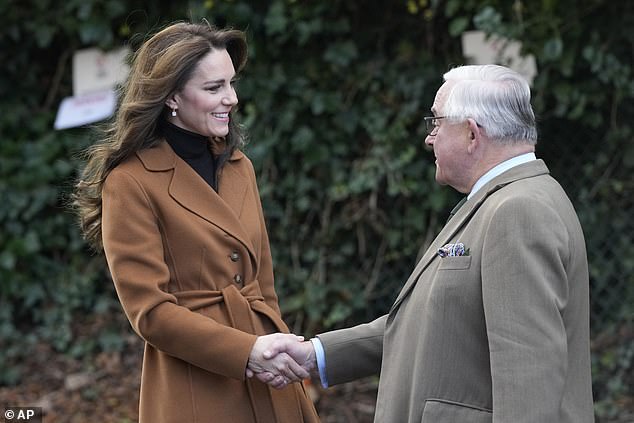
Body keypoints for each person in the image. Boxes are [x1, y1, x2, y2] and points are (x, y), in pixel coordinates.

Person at [252, 64, 595, 422]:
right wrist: (317, 354)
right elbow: (433, 322)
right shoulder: (503, 200)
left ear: (472, 135)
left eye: (436, 122)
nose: (429, 138)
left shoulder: (517, 210)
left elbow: (528, 379)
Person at [73, 22, 320, 423]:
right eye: (214, 88)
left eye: (232, 83)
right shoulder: (129, 182)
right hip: (196, 382)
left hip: (269, 368)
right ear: (170, 95)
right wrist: (245, 353)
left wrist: (275, 350)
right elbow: (150, 312)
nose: (232, 98)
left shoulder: (240, 167)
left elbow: (264, 284)